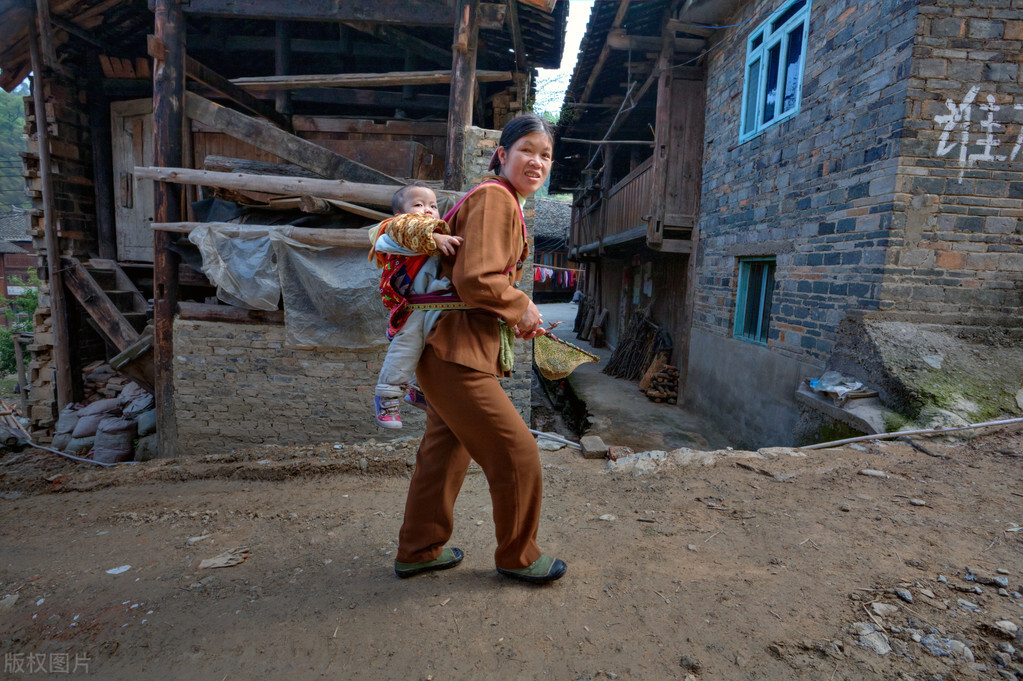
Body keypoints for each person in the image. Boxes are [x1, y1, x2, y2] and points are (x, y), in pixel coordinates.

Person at [392, 113, 567, 584]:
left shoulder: (499, 199)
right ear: (502, 154)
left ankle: (418, 550)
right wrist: (521, 306)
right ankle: (518, 555)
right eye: (527, 150)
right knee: (517, 453)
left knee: (444, 454)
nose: (537, 161)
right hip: (454, 354)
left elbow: (472, 282)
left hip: (450, 348)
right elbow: (477, 280)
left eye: (546, 155)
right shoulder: (496, 198)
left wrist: (513, 314)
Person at [368, 182, 463, 429]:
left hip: (429, 305)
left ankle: (416, 391)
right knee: (407, 346)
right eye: (419, 204)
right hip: (411, 306)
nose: (428, 210)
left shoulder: (430, 233)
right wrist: (435, 236)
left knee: (430, 349)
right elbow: (413, 229)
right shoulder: (397, 227)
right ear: (400, 213)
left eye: (433, 205)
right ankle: (386, 397)